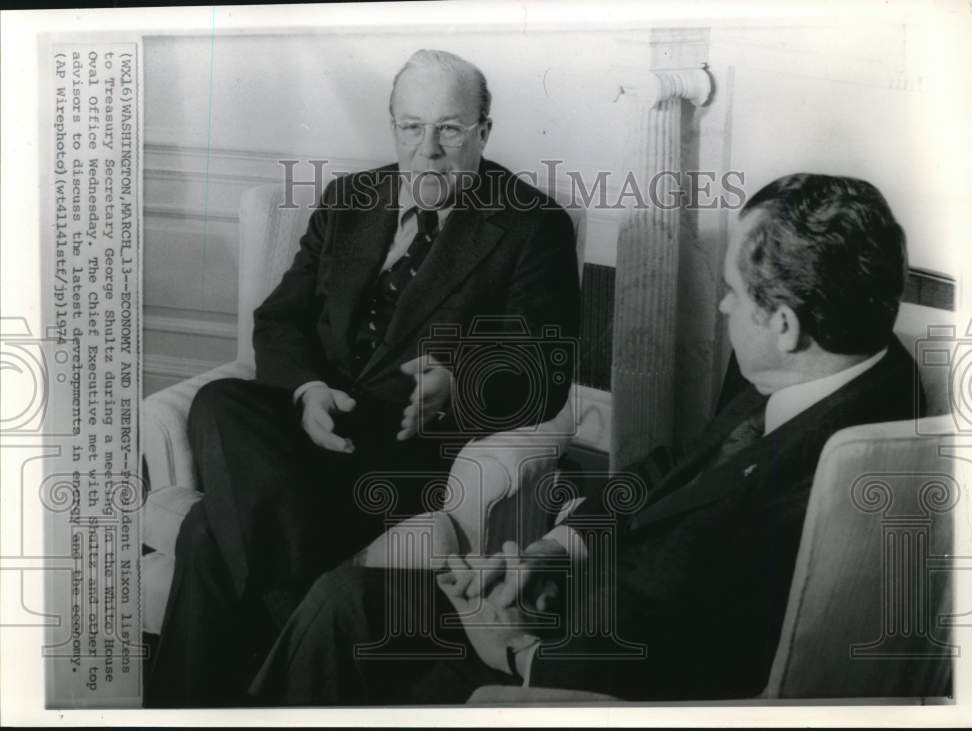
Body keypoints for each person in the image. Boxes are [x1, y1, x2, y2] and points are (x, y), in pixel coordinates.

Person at [247, 173, 925, 704]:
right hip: (575, 603)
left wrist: (517, 648)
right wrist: (553, 551)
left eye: (732, 294)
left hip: (584, 674)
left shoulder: (834, 469)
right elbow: (668, 473)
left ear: (783, 324)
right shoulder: (838, 364)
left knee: (345, 618)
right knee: (346, 599)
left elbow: (710, 649)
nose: (722, 307)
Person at [146, 49, 580, 706]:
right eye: (411, 127)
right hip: (304, 436)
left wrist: (456, 383)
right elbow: (280, 317)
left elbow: (544, 371)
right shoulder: (350, 200)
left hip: (401, 453)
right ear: (393, 127)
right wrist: (307, 391)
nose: (428, 149)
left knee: (210, 532)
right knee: (218, 400)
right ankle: (291, 626)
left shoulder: (530, 223)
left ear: (484, 131)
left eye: (450, 129)